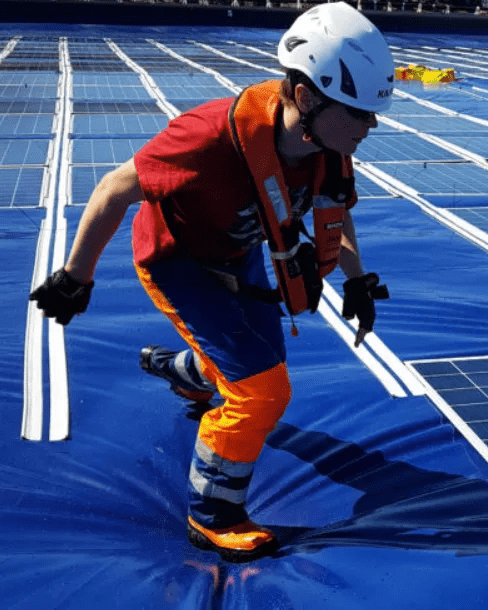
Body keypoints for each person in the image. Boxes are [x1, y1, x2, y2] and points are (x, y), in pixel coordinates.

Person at [28, 3, 394, 562]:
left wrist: (359, 280)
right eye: (359, 113)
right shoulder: (207, 139)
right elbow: (112, 189)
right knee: (263, 389)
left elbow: (333, 216)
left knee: (254, 360)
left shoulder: (327, 150)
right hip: (178, 263)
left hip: (240, 253)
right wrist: (75, 277)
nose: (371, 127)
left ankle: (181, 373)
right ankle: (213, 512)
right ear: (305, 97)